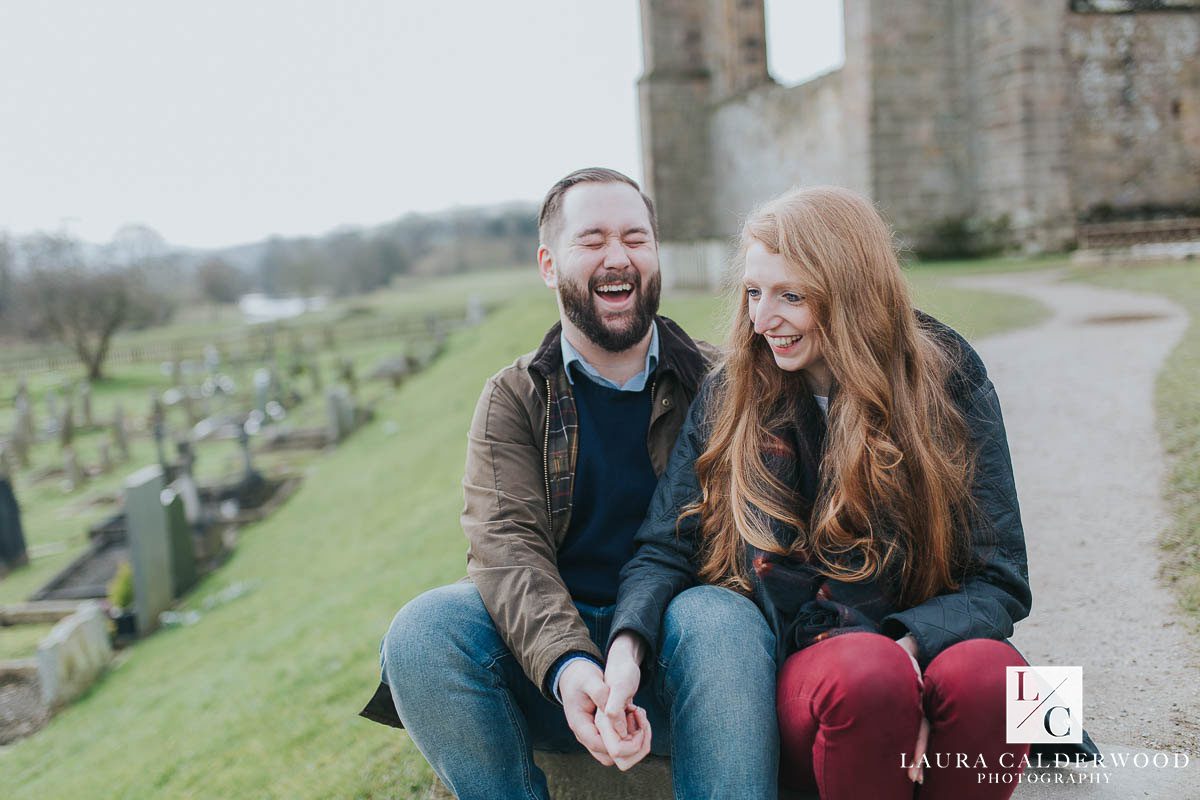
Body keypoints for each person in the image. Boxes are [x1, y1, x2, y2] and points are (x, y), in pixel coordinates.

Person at [604, 185, 1041, 798]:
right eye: (754, 293)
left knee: (997, 679)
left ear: (851, 294)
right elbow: (664, 547)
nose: (761, 320)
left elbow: (1001, 577)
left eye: (791, 296)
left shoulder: (947, 375)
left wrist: (910, 649)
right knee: (867, 675)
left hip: (925, 633)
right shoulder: (732, 393)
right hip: (812, 663)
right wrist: (625, 651)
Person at [360, 167, 780, 799]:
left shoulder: (721, 383)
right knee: (424, 631)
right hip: (558, 655)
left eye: (636, 238)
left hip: (683, 650)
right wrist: (569, 663)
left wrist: (635, 647)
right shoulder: (516, 396)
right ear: (549, 264)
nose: (620, 257)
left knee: (719, 617)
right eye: (593, 240)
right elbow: (506, 548)